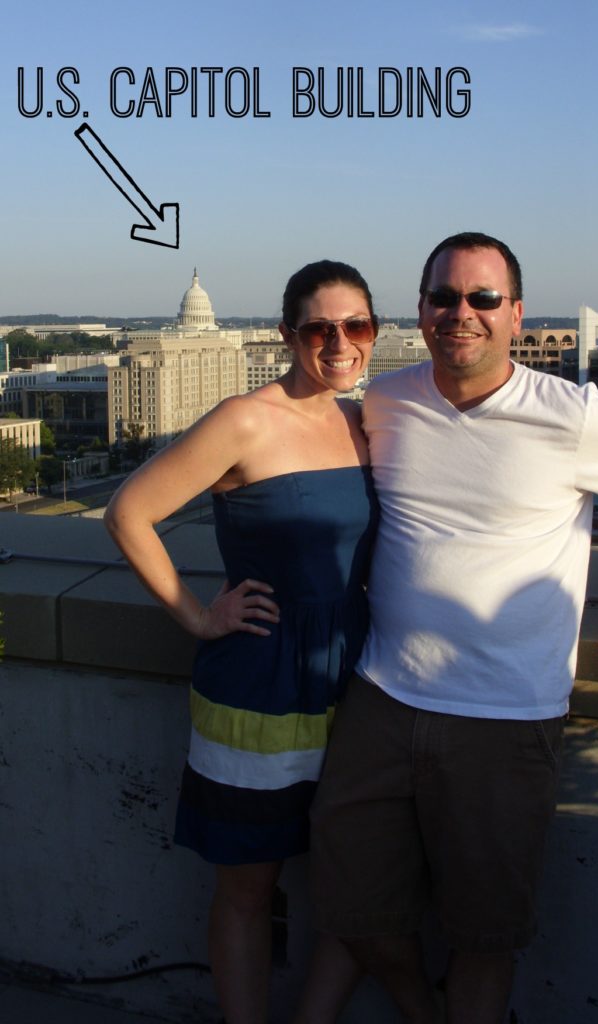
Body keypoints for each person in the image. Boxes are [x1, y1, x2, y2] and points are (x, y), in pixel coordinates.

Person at [309, 232, 598, 1024]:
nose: (463, 313)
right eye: (444, 297)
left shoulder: (576, 416)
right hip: (381, 701)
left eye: (483, 298)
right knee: (352, 908)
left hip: (507, 722)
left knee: (483, 938)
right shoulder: (386, 402)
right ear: (419, 311)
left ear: (515, 314)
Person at [104, 260, 380, 1024]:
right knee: (249, 889)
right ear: (288, 333)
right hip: (259, 684)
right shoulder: (244, 419)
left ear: (373, 334)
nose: (340, 343)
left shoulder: (361, 421)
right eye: (320, 328)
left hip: (352, 683)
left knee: (356, 887)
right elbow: (129, 513)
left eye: (356, 326)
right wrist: (197, 617)